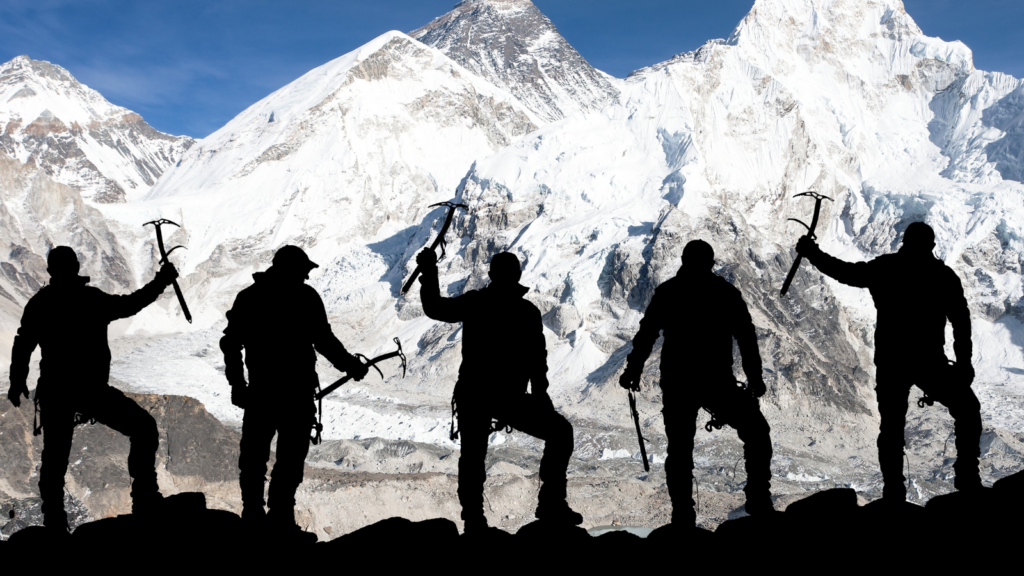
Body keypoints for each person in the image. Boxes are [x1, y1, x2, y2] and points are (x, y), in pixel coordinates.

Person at [796, 222, 981, 500]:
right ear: (931, 246)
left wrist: (812, 253)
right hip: (930, 362)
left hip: (892, 362)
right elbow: (961, 322)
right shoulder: (943, 276)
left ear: (904, 242)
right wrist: (964, 363)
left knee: (892, 427)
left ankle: (893, 489)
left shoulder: (886, 268)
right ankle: (967, 477)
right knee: (967, 408)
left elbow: (845, 272)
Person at [7, 246, 179, 534]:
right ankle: (145, 500)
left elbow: (23, 342)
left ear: (50, 271)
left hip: (57, 391)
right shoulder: (91, 300)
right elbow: (131, 304)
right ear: (76, 266)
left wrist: (17, 381)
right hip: (91, 390)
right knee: (144, 428)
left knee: (54, 459)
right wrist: (162, 280)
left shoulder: (41, 303)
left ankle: (54, 522)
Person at [416, 249, 581, 532]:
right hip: (509, 398)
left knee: (472, 456)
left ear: (491, 275)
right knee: (560, 432)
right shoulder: (527, 312)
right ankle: (551, 503)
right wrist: (541, 397)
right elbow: (537, 361)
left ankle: (474, 519)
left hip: (475, 394)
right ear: (517, 276)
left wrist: (429, 270)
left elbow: (435, 308)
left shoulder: (476, 303)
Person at [220, 245, 368, 539]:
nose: (306, 276)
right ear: (291, 270)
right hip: (295, 395)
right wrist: (350, 365)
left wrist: (238, 384)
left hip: (263, 393)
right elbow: (323, 340)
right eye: (303, 271)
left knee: (255, 457)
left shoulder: (250, 298)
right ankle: (279, 518)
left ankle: (255, 516)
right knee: (288, 459)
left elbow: (231, 344)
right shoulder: (305, 298)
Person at [619, 240, 772, 525]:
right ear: (711, 263)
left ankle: (683, 514)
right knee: (757, 431)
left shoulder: (668, 292)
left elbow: (647, 334)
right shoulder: (725, 293)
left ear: (683, 260)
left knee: (679, 449)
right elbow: (747, 338)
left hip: (679, 383)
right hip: (717, 383)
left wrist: (634, 369)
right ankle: (759, 499)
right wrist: (755, 379)